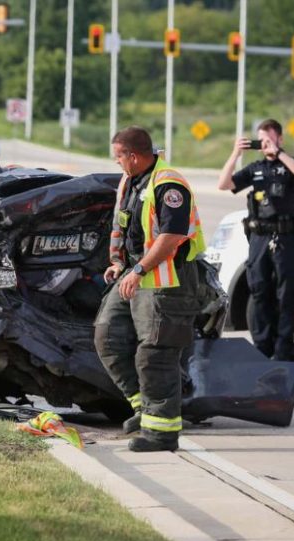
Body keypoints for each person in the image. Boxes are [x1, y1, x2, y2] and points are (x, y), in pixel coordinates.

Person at [95, 126, 206, 453]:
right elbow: (125, 225)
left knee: (155, 354)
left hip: (167, 279)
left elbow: (172, 236)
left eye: (119, 156)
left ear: (133, 155)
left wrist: (140, 268)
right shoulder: (130, 181)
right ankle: (144, 410)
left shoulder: (168, 183)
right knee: (108, 334)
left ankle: (161, 433)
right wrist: (119, 263)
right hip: (135, 273)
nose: (117, 162)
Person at [217, 119, 294, 361]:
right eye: (261, 140)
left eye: (269, 139)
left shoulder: (292, 164)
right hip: (259, 237)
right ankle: (262, 348)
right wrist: (235, 153)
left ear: (280, 139)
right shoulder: (255, 168)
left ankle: (283, 349)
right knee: (259, 290)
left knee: (286, 292)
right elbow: (224, 184)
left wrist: (279, 153)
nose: (265, 144)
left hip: (285, 237)